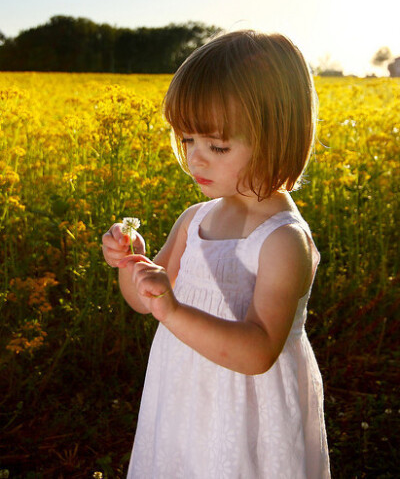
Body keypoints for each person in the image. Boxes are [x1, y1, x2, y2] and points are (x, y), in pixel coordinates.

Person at [102, 30, 331, 478]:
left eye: (217, 146)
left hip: (245, 412)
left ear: (277, 135)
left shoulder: (283, 241)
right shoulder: (195, 218)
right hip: (182, 397)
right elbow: (142, 301)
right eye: (187, 141)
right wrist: (133, 265)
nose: (196, 160)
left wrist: (172, 310)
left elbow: (258, 352)